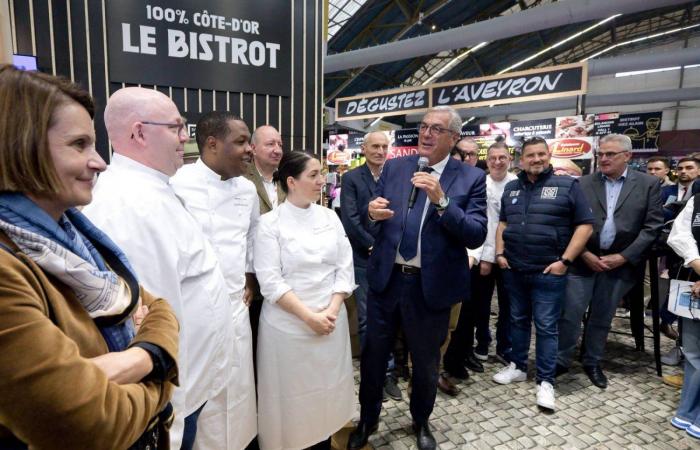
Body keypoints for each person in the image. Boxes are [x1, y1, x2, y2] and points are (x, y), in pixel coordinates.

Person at [0, 65, 178, 448]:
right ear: (22, 146)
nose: (99, 162)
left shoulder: (76, 235)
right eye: (79, 145)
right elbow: (87, 424)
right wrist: (160, 374)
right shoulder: (7, 269)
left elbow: (159, 308)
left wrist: (140, 357)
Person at [83, 87, 237, 449]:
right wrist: (170, 424)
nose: (185, 137)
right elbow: (151, 324)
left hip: (188, 390)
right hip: (170, 406)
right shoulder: (130, 205)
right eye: (176, 127)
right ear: (139, 132)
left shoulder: (152, 190)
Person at [348, 106, 487, 450]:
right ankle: (368, 418)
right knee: (374, 356)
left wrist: (441, 202)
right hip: (386, 280)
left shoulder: (470, 178)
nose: (426, 134)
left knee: (425, 363)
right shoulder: (396, 167)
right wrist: (371, 212)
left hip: (430, 288)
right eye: (423, 127)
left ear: (453, 138)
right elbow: (373, 217)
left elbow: (475, 234)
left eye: (436, 129)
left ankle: (421, 421)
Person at [254, 151, 356, 450]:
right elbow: (270, 281)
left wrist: (332, 309)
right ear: (291, 181)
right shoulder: (270, 224)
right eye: (313, 175)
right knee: (292, 403)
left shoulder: (329, 217)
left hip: (329, 323)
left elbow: (344, 266)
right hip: (287, 329)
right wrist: (308, 317)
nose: (321, 181)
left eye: (321, 173)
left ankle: (325, 441)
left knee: (326, 396)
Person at [170, 111, 259, 450]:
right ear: (211, 144)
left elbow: (251, 236)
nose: (249, 149)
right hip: (196, 314)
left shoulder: (248, 190)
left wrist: (250, 276)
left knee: (236, 387)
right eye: (240, 142)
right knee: (201, 393)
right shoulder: (179, 184)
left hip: (236, 307)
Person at [491, 136, 593, 411]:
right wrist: (500, 254)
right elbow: (502, 223)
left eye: (541, 154)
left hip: (549, 271)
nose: (536, 160)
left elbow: (585, 226)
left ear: (548, 156)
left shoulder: (567, 185)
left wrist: (565, 261)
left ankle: (546, 381)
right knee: (518, 320)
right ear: (521, 160)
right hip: (514, 269)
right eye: (530, 156)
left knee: (547, 327)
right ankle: (519, 366)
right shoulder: (511, 188)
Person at [556, 134, 663, 389]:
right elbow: (568, 223)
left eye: (610, 154)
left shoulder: (648, 185)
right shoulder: (582, 183)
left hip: (619, 264)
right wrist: (583, 253)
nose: (603, 158)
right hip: (584, 260)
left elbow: (652, 227)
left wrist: (624, 257)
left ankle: (592, 360)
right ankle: (561, 359)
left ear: (627, 156)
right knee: (570, 314)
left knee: (602, 316)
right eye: (601, 154)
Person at [339, 131, 402, 400]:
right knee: (366, 320)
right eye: (375, 146)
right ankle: (372, 374)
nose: (380, 150)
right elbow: (350, 219)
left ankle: (388, 374)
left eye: (384, 146)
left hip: (392, 258)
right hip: (364, 257)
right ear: (363, 149)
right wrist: (372, 245)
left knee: (389, 318)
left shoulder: (396, 177)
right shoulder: (351, 178)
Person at [246, 124, 287, 362]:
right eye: (270, 144)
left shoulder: (287, 179)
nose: (277, 149)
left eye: (280, 144)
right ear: (253, 148)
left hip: (285, 275)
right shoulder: (241, 180)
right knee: (255, 344)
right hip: (255, 278)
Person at [666, 192, 700, 440]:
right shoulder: (697, 200)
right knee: (693, 352)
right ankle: (688, 409)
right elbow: (680, 235)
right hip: (694, 282)